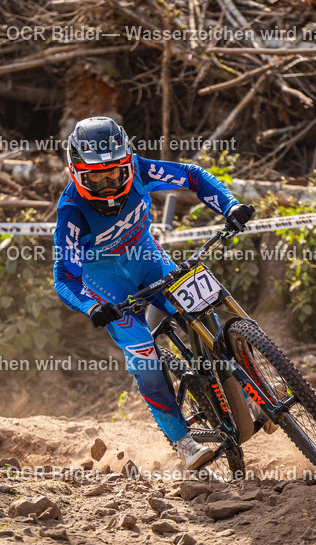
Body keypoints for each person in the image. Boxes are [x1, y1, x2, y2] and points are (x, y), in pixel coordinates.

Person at [52, 116, 253, 470]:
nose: (107, 185)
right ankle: (183, 441)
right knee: (144, 359)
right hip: (107, 287)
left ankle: (248, 389)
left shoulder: (141, 169)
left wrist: (229, 205)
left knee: (207, 305)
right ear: (76, 173)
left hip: (149, 261)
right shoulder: (71, 212)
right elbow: (65, 277)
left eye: (114, 174)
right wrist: (90, 308)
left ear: (127, 162)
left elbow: (192, 175)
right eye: (94, 178)